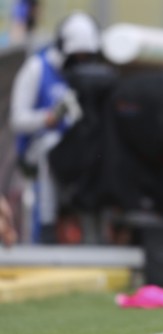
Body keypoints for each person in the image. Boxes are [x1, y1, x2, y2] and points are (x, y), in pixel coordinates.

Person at [9, 11, 100, 243]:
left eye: (85, 56)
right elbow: (17, 119)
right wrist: (46, 119)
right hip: (36, 155)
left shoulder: (81, 76)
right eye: (77, 56)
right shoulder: (36, 68)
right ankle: (44, 229)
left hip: (71, 154)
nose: (81, 62)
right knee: (50, 151)